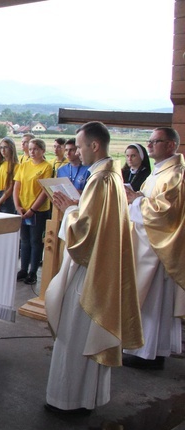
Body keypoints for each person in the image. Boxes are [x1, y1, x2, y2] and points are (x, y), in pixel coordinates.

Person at [45, 121, 143, 414]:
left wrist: (69, 209)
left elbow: (85, 232)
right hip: (102, 265)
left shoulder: (99, 180)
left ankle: (68, 400)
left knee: (74, 334)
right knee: (83, 333)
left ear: (95, 146)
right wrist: (77, 208)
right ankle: (88, 397)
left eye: (79, 145)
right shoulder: (111, 175)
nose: (76, 151)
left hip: (89, 270)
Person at [123, 127, 185, 369]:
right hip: (148, 244)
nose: (149, 146)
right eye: (149, 141)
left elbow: (165, 213)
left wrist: (135, 200)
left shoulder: (175, 175)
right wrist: (137, 195)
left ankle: (149, 354)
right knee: (149, 303)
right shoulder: (159, 172)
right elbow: (149, 200)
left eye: (155, 141)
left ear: (171, 145)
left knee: (153, 303)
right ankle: (148, 351)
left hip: (159, 250)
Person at [13, 138, 53, 286]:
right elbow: (17, 186)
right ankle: (23, 269)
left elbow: (44, 191)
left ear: (42, 150)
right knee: (24, 240)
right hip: (22, 209)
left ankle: (33, 272)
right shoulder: (23, 166)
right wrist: (18, 206)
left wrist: (32, 209)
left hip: (38, 211)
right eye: (30, 149)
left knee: (35, 241)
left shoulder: (46, 167)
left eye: (35, 149)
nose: (32, 152)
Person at [0, 137, 18, 213]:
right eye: (1, 148)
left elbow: (12, 187)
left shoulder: (16, 166)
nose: (3, 150)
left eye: (6, 147)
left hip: (7, 199)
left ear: (11, 149)